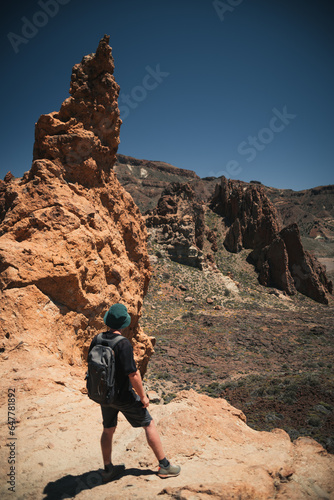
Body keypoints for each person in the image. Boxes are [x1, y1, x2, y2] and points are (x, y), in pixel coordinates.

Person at [88, 303, 181, 482]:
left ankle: (108, 469)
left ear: (107, 321)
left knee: (108, 429)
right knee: (148, 423)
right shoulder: (123, 344)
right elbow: (133, 374)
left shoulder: (97, 339)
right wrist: (143, 397)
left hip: (103, 394)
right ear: (124, 324)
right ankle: (165, 466)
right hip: (123, 396)